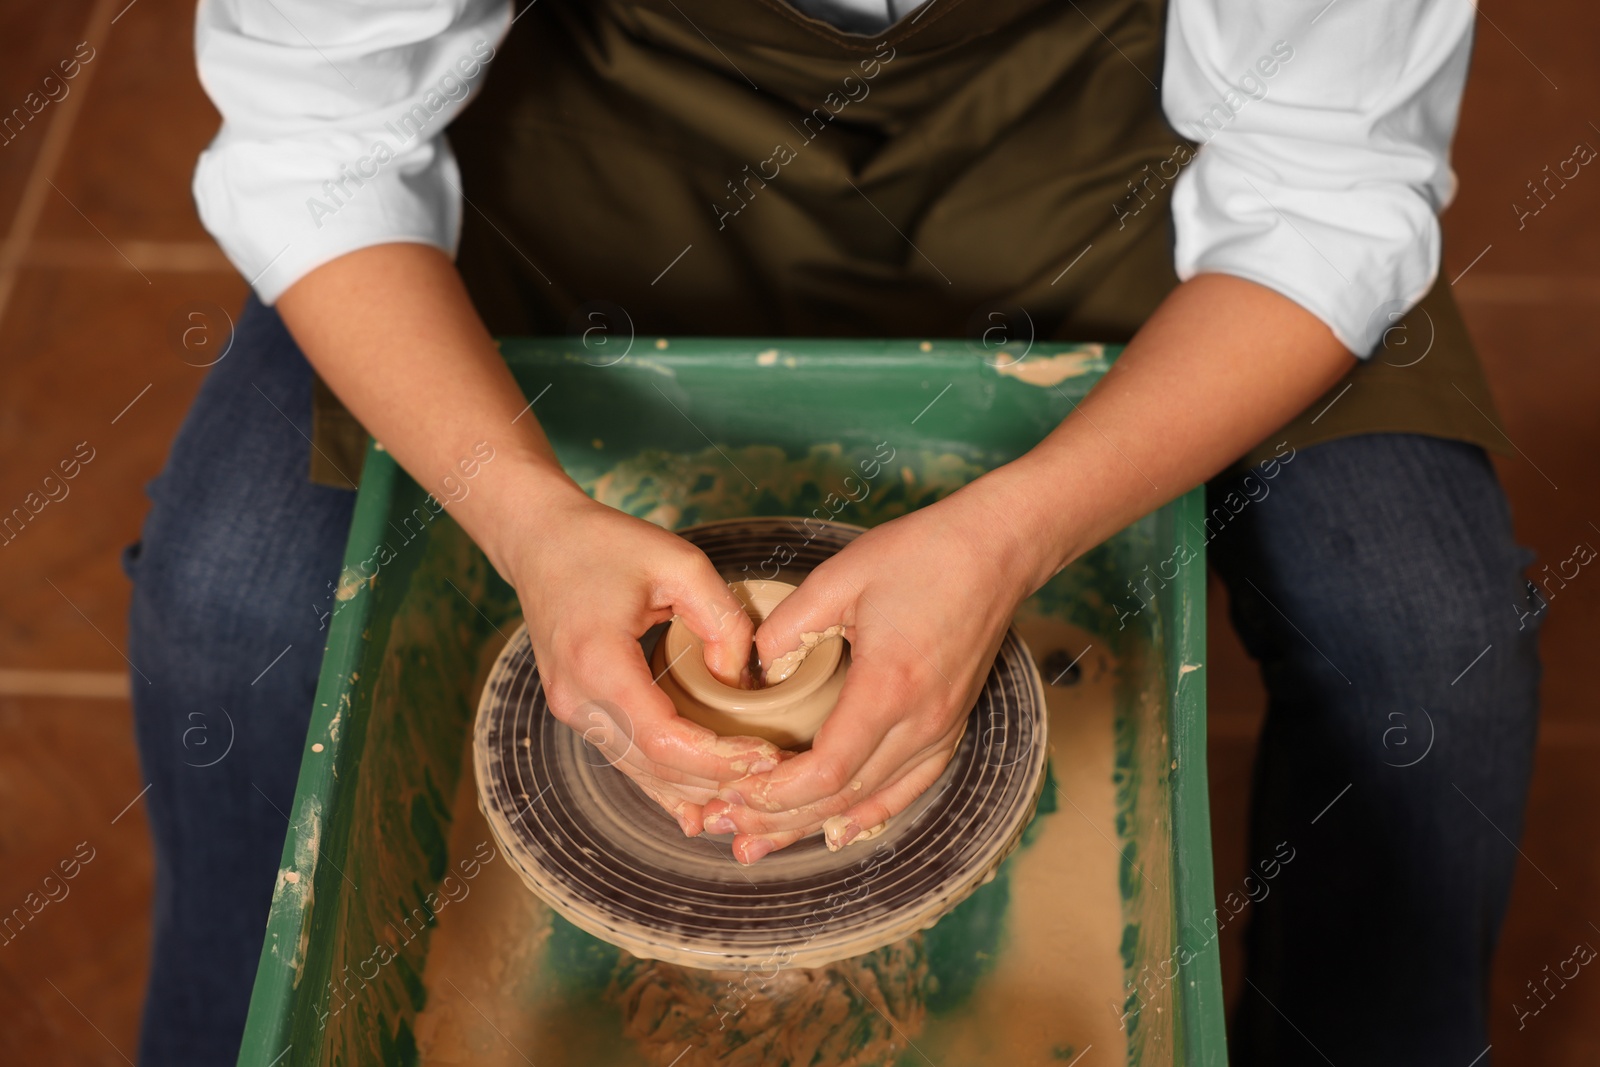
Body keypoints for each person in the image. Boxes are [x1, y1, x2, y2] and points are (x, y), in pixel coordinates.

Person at [127, 0, 1541, 1062]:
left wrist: (1010, 533)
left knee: (1426, 634)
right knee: (232, 597)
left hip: (1114, 170)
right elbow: (321, 141)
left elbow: (1323, 195)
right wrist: (529, 518)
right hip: (593, 137)